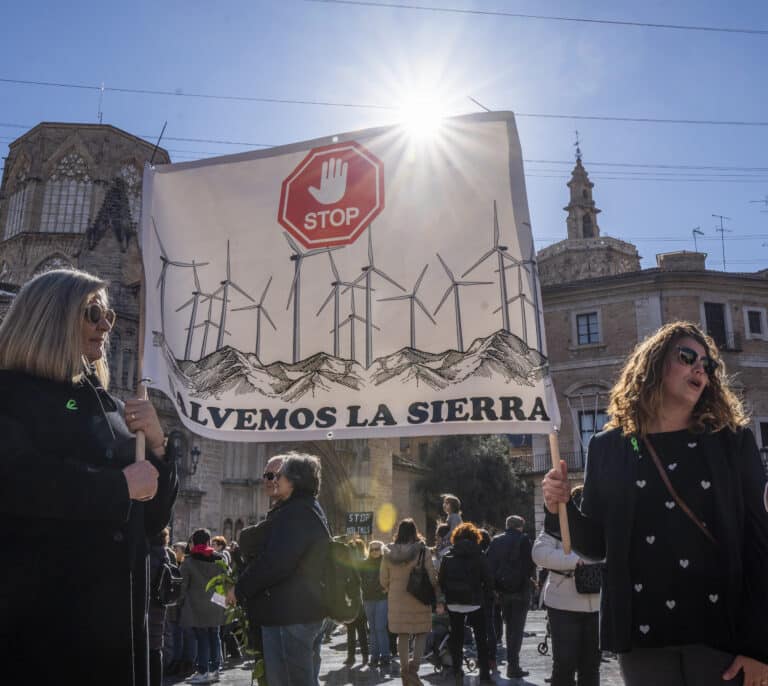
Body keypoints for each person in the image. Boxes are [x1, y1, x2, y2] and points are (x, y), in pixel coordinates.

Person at [542, 321, 768, 686]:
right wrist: (559, 508)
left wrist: (761, 647)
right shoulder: (609, 446)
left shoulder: (733, 444)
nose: (700, 368)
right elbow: (596, 545)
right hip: (642, 635)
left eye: (707, 365)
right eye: (687, 357)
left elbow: (761, 546)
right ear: (656, 365)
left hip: (721, 633)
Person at [0, 268, 178, 686]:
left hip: (115, 624)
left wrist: (158, 449)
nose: (105, 325)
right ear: (51, 316)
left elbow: (152, 520)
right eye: (93, 312)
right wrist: (118, 487)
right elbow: (15, 479)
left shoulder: (112, 407)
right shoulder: (9, 394)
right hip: (41, 618)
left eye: (110, 316)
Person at [228, 452, 329, 686]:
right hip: (299, 612)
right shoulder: (305, 509)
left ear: (294, 479)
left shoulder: (296, 513)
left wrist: (240, 588)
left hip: (290, 615)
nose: (275, 479)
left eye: (280, 475)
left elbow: (276, 562)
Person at [532, 493, 600, 686]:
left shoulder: (600, 526)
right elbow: (539, 553)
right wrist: (574, 560)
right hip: (563, 605)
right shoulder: (556, 525)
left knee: (591, 666)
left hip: (596, 605)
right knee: (564, 664)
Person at [380, 518, 445, 686]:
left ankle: (405, 673)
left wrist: (391, 587)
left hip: (396, 599)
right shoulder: (423, 551)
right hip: (419, 598)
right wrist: (437, 597)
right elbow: (432, 577)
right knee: (421, 632)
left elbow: (383, 579)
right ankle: (413, 671)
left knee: (402, 634)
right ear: (414, 532)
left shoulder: (388, 552)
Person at [438, 522, 494, 684]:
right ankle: (484, 673)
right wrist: (488, 596)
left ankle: (457, 671)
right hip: (475, 601)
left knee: (457, 637)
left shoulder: (448, 556)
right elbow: (488, 579)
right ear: (474, 536)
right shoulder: (480, 554)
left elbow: (441, 581)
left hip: (454, 602)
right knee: (480, 638)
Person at [486, 515, 535, 679]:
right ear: (520, 527)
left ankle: (511, 664)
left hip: (503, 592)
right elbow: (530, 564)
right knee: (517, 629)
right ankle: (513, 665)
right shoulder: (524, 540)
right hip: (521, 590)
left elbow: (489, 565)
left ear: (507, 526)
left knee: (508, 627)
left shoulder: (496, 541)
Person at [179, 528, 228, 684]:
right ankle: (215, 670)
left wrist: (180, 601)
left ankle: (203, 671)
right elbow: (226, 581)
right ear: (208, 541)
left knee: (202, 638)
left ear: (194, 541)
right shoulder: (219, 558)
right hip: (216, 602)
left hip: (197, 604)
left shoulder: (189, 560)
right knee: (215, 635)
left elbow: (182, 586)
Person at [360, 540, 391, 668]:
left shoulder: (386, 562)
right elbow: (359, 580)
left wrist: (388, 587)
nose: (374, 551)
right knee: (372, 629)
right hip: (368, 599)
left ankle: (385, 656)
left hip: (382, 598)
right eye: (372, 549)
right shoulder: (364, 563)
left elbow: (393, 577)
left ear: (381, 549)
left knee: (380, 628)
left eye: (377, 548)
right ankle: (374, 656)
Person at [345, 538, 370, 667]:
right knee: (358, 631)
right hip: (356, 600)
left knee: (357, 630)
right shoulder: (361, 563)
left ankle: (355, 657)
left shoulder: (359, 564)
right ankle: (358, 656)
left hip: (357, 600)